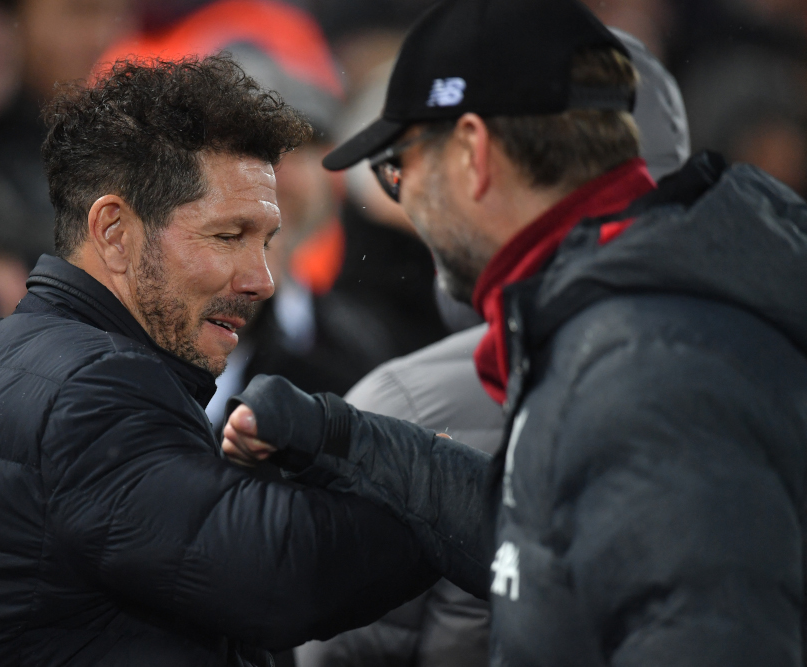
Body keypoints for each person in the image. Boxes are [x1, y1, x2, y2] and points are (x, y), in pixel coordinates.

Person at [223, 0, 807, 664]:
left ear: (472, 151)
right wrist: (341, 436)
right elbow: (549, 540)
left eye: (398, 167)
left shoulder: (645, 360)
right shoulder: (624, 312)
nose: (402, 199)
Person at [0, 56, 436, 666]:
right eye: (228, 236)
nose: (262, 280)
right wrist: (448, 493)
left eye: (265, 241)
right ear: (114, 231)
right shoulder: (93, 388)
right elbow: (277, 577)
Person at [295, 27, 693, 667]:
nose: (411, 210)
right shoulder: (751, 336)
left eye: (400, 170)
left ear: (476, 156)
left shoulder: (402, 405)